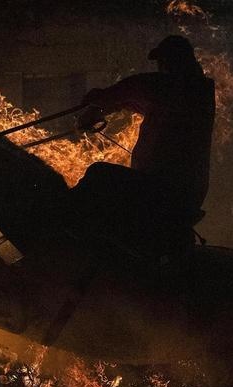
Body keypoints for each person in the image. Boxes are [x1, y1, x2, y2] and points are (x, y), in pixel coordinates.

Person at [69, 34, 216, 259]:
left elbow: (137, 87)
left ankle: (64, 229)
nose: (160, 68)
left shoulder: (183, 87)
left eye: (162, 63)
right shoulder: (193, 93)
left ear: (172, 62)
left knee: (99, 174)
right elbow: (136, 98)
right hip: (176, 192)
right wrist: (105, 106)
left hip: (164, 190)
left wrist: (98, 100)